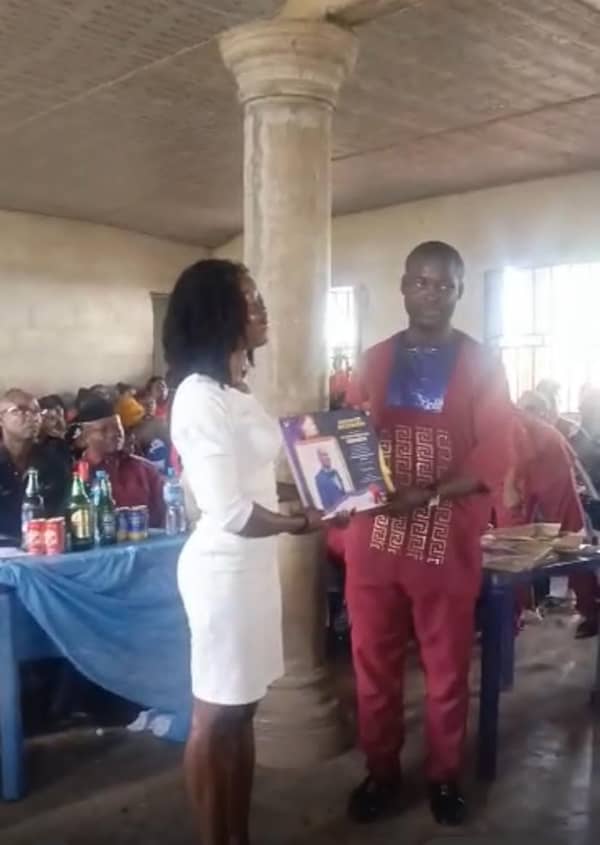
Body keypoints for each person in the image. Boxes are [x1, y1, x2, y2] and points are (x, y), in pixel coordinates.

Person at [344, 241, 513, 826]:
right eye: (420, 281)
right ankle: (381, 771)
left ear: (460, 291)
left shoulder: (483, 363)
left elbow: (497, 450)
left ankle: (443, 775)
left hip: (445, 540)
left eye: (444, 285)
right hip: (376, 539)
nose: (431, 293)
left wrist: (433, 493)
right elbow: (348, 439)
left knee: (446, 670)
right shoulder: (372, 360)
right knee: (373, 666)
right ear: (403, 286)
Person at [164, 258, 325, 845]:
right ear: (216, 314)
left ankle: (238, 834)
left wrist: (311, 496)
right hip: (222, 573)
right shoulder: (197, 397)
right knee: (214, 714)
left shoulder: (237, 392)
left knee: (245, 708)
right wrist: (294, 521)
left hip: (255, 569)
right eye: (249, 300)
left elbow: (255, 481)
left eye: (259, 298)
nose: (262, 310)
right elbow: (229, 511)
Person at [75, 396, 165, 527]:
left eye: (118, 427)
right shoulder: (75, 477)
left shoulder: (146, 470)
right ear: (84, 438)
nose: (114, 433)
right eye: (104, 429)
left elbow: (164, 520)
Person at [0, 389, 71, 541]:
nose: (32, 417)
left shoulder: (53, 460)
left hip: (46, 545)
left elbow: (64, 506)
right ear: (1, 419)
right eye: (20, 411)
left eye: (36, 412)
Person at [569, 388, 600, 638]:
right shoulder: (580, 435)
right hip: (590, 503)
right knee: (589, 556)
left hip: (591, 501)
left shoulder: (583, 436)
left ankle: (591, 615)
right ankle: (591, 614)